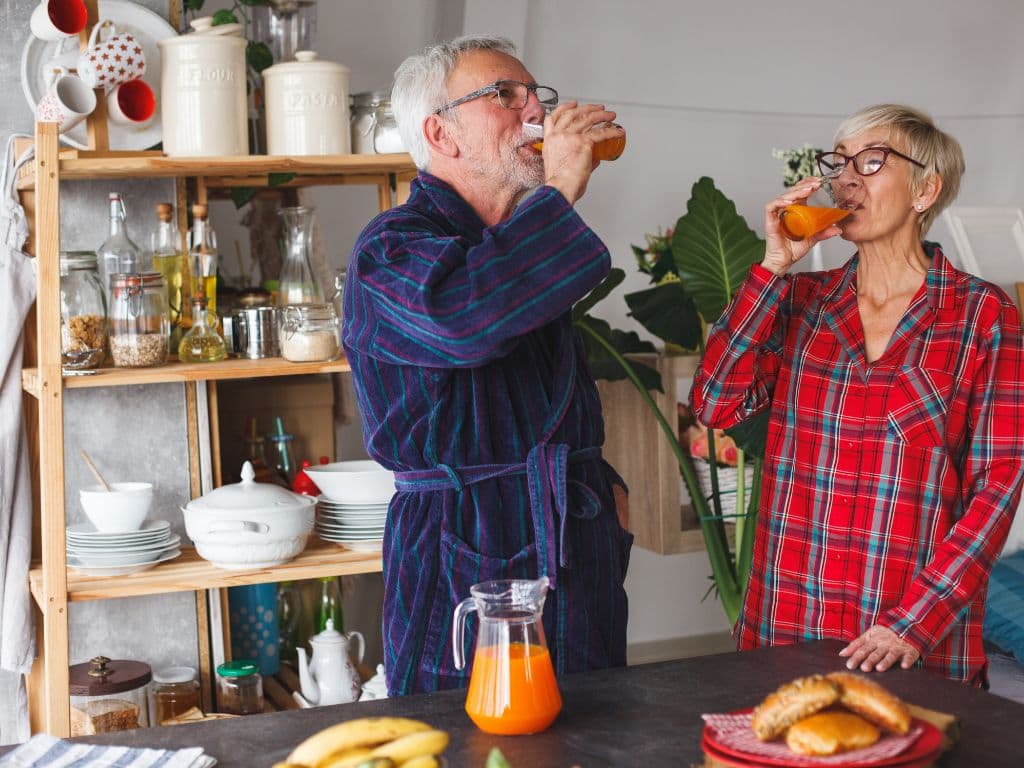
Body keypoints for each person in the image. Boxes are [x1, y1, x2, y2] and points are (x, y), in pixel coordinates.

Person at [691, 104, 1024, 685]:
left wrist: (913, 624)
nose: (845, 179)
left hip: (910, 640)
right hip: (786, 624)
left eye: (870, 162)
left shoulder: (982, 315)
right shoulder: (799, 301)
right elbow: (715, 403)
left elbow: (997, 485)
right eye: (839, 163)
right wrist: (771, 269)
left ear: (925, 189)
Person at [341, 34, 632, 696]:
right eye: (505, 94)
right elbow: (462, 320)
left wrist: (606, 491)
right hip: (463, 547)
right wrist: (562, 186)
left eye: (536, 94)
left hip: (573, 540)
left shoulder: (509, 246)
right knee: (466, 735)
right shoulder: (390, 246)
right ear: (440, 133)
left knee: (598, 729)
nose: (537, 111)